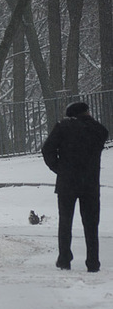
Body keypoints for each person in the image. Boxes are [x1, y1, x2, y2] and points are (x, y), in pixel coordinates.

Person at [41, 101, 108, 272]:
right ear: (87, 112)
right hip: (90, 183)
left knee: (65, 222)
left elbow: (47, 149)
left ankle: (64, 259)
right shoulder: (98, 130)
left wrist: (59, 168)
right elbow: (103, 134)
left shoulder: (63, 127)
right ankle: (93, 262)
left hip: (67, 183)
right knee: (91, 223)